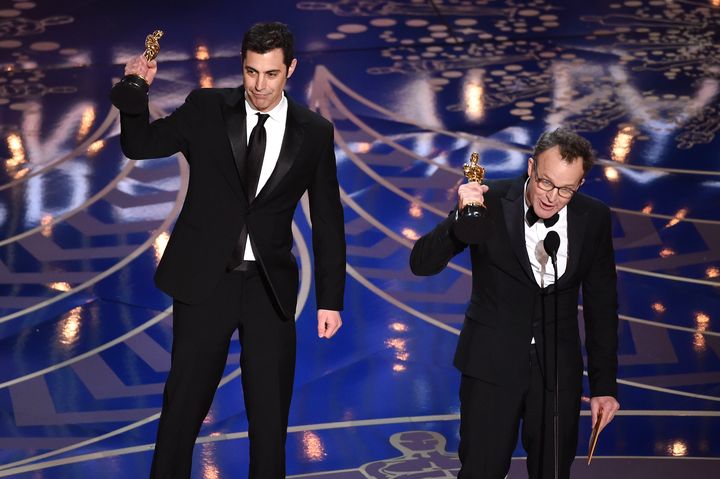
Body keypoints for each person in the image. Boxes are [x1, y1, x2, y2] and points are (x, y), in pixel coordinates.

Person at [118, 22, 346, 479]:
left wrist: (330, 300)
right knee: (182, 410)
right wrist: (135, 89)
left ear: (291, 70)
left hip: (269, 289)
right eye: (251, 72)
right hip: (206, 283)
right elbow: (139, 144)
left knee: (269, 419)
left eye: (271, 74)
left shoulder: (315, 132)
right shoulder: (206, 108)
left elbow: (327, 219)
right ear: (241, 66)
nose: (259, 86)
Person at [410, 128, 620, 478]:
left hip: (557, 373)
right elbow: (421, 264)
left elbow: (602, 304)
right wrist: (459, 219)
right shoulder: (489, 200)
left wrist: (604, 387)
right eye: (546, 183)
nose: (553, 197)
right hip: (490, 366)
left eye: (566, 189)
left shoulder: (593, 217)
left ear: (580, 185)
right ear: (530, 167)